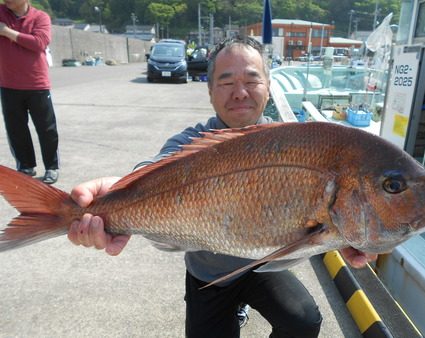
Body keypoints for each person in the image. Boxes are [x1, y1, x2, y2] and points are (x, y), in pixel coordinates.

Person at [67, 36, 377, 337]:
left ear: (268, 88)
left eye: (252, 80)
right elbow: (154, 168)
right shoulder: (192, 143)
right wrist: (119, 191)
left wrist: (343, 232)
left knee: (304, 322)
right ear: (210, 92)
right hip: (209, 274)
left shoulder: (297, 145)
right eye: (227, 82)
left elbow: (317, 218)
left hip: (261, 266)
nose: (240, 92)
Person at [0, 0, 59, 184]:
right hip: (8, 83)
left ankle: (52, 167)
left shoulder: (40, 17)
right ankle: (26, 166)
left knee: (47, 129)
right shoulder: (1, 12)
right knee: (16, 129)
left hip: (37, 84)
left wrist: (6, 31)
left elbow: (39, 43)